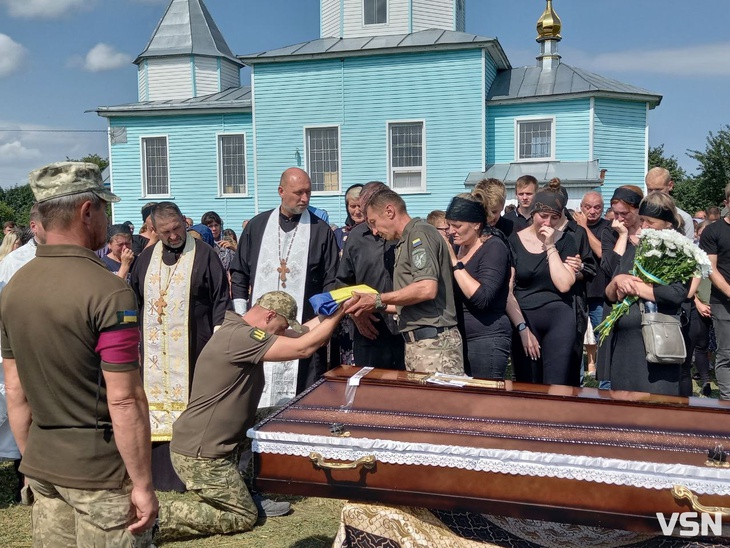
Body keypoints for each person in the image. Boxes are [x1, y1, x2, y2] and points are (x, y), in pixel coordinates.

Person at [0, 161, 158, 545]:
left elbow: (15, 389)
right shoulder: (109, 291)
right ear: (87, 211)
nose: (107, 219)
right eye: (104, 208)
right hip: (99, 473)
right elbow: (124, 400)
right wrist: (142, 484)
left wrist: (32, 459)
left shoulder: (14, 288)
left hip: (43, 464)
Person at [162, 291, 347, 537]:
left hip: (217, 444)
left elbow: (302, 334)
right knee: (242, 516)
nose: (283, 333)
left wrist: (336, 308)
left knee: (277, 419)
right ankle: (155, 519)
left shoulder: (243, 330)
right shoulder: (240, 337)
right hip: (201, 455)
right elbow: (304, 348)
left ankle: (246, 488)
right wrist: (341, 313)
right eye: (281, 327)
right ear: (269, 316)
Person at [130, 202, 229, 491]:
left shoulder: (205, 255)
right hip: (154, 354)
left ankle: (192, 471)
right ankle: (158, 474)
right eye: (165, 232)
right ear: (154, 230)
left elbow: (220, 300)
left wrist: (219, 342)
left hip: (196, 348)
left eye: (177, 229)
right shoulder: (145, 259)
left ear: (183, 223)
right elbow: (134, 299)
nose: (173, 236)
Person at [230, 167, 339, 404]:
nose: (305, 199)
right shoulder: (257, 226)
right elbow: (239, 272)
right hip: (257, 331)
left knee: (304, 397)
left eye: (308, 192)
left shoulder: (320, 231)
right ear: (281, 191)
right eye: (298, 193)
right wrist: (241, 315)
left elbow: (331, 280)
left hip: (303, 328)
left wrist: (323, 323)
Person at [345, 189, 464, 375]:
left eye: (374, 222)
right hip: (419, 345)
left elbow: (427, 288)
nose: (374, 231)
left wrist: (378, 299)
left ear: (389, 211)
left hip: (434, 346)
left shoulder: (420, 235)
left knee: (439, 395)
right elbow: (408, 304)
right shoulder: (405, 241)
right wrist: (369, 305)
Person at [602, 192, 689, 395]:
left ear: (667, 224)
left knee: (656, 406)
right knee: (623, 407)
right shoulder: (634, 249)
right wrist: (617, 281)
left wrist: (635, 287)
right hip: (624, 346)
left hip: (658, 344)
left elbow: (676, 294)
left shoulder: (677, 253)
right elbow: (609, 295)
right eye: (642, 221)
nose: (645, 226)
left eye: (651, 222)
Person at [508, 179, 578, 386]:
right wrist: (522, 328)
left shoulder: (566, 241)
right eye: (543, 216)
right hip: (525, 315)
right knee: (527, 383)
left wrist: (550, 246)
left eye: (554, 218)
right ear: (533, 213)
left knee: (557, 383)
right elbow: (507, 291)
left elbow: (564, 284)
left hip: (559, 317)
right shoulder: (514, 241)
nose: (548, 223)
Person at [336, 181, 404, 370]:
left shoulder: (405, 234)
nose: (363, 212)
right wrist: (355, 315)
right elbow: (343, 283)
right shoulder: (356, 237)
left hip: (406, 332)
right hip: (370, 331)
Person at [445, 194, 511, 379]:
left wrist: (454, 262)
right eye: (449, 225)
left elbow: (482, 297)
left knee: (484, 395)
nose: (451, 231)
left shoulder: (494, 247)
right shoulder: (457, 247)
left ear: (476, 225)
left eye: (457, 226)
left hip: (486, 338)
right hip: (459, 337)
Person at [598, 185, 644, 389]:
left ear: (637, 209)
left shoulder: (650, 233)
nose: (619, 218)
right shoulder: (610, 232)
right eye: (616, 213)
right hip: (616, 301)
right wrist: (623, 236)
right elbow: (610, 268)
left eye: (624, 213)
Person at [573, 191, 611, 377]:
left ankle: (605, 380)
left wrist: (584, 228)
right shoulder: (572, 227)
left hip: (599, 292)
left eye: (597, 207)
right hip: (577, 290)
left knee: (603, 337)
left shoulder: (608, 228)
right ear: (581, 207)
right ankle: (576, 380)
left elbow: (603, 253)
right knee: (574, 338)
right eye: (588, 207)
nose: (592, 211)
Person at [699, 183, 730, 400]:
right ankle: (727, 400)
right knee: (726, 354)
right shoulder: (713, 231)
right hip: (722, 302)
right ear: (726, 202)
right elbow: (711, 268)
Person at [645, 167, 693, 239]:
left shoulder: (685, 218)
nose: (653, 194)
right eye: (650, 190)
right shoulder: (640, 215)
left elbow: (688, 244)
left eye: (658, 189)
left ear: (670, 185)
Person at [334, 184, 364, 251]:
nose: (357, 212)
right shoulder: (338, 235)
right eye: (353, 206)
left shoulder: (377, 233)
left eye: (360, 206)